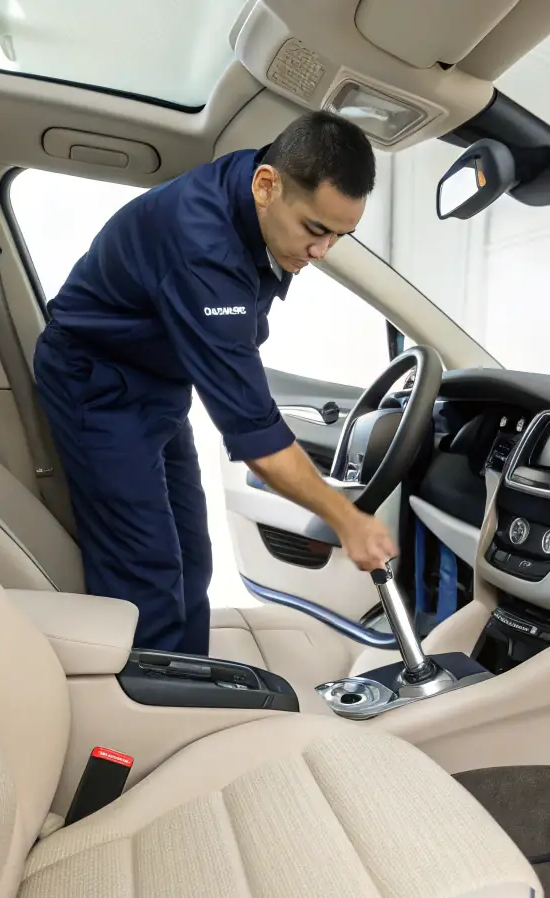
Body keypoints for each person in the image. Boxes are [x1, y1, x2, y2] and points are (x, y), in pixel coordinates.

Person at [33, 111, 399, 655]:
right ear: (267, 185)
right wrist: (346, 519)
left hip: (158, 381)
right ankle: (147, 714)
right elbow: (256, 438)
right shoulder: (203, 246)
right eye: (316, 230)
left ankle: (189, 680)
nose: (323, 252)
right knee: (146, 570)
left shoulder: (255, 195)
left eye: (340, 236)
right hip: (98, 385)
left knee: (192, 554)